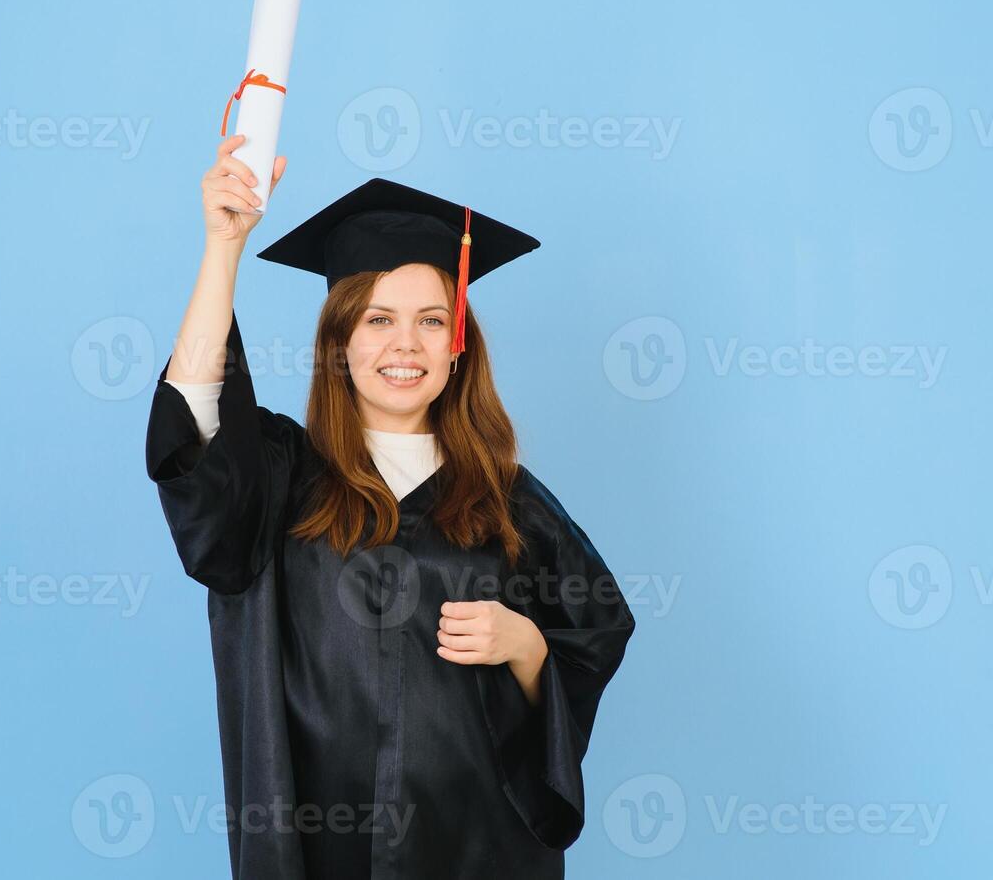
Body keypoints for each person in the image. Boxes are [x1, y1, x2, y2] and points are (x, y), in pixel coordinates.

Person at [145, 134, 635, 879]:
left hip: (479, 854)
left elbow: (592, 639)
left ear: (457, 344)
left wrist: (526, 645)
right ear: (339, 339)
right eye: (377, 319)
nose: (405, 343)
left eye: (432, 320)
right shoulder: (278, 480)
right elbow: (195, 418)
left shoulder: (509, 503)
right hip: (316, 853)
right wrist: (223, 250)